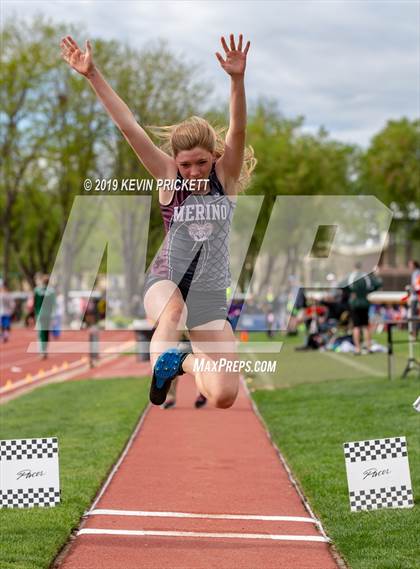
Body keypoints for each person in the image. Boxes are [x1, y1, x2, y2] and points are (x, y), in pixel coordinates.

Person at [60, 33, 255, 408]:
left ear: (213, 158)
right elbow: (129, 127)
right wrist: (92, 75)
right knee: (173, 310)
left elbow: (238, 131)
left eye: (201, 162)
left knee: (224, 395)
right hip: (166, 281)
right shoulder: (168, 177)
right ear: (175, 164)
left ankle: (184, 361)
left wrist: (236, 81)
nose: (195, 171)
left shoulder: (224, 177)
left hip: (210, 294)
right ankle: (167, 364)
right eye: (186, 165)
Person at [341, 263, 382, 355]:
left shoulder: (351, 276)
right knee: (365, 326)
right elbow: (378, 283)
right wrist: (369, 291)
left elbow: (341, 284)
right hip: (365, 302)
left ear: (354, 267)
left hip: (355, 303)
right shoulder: (366, 276)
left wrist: (350, 292)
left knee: (356, 326)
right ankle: (368, 347)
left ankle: (358, 348)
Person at [34, 274, 56, 359]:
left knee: (41, 333)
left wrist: (34, 314)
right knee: (46, 333)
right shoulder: (52, 291)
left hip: (40, 314)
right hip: (48, 314)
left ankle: (42, 351)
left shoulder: (37, 290)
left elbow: (35, 304)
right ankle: (45, 350)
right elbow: (54, 304)